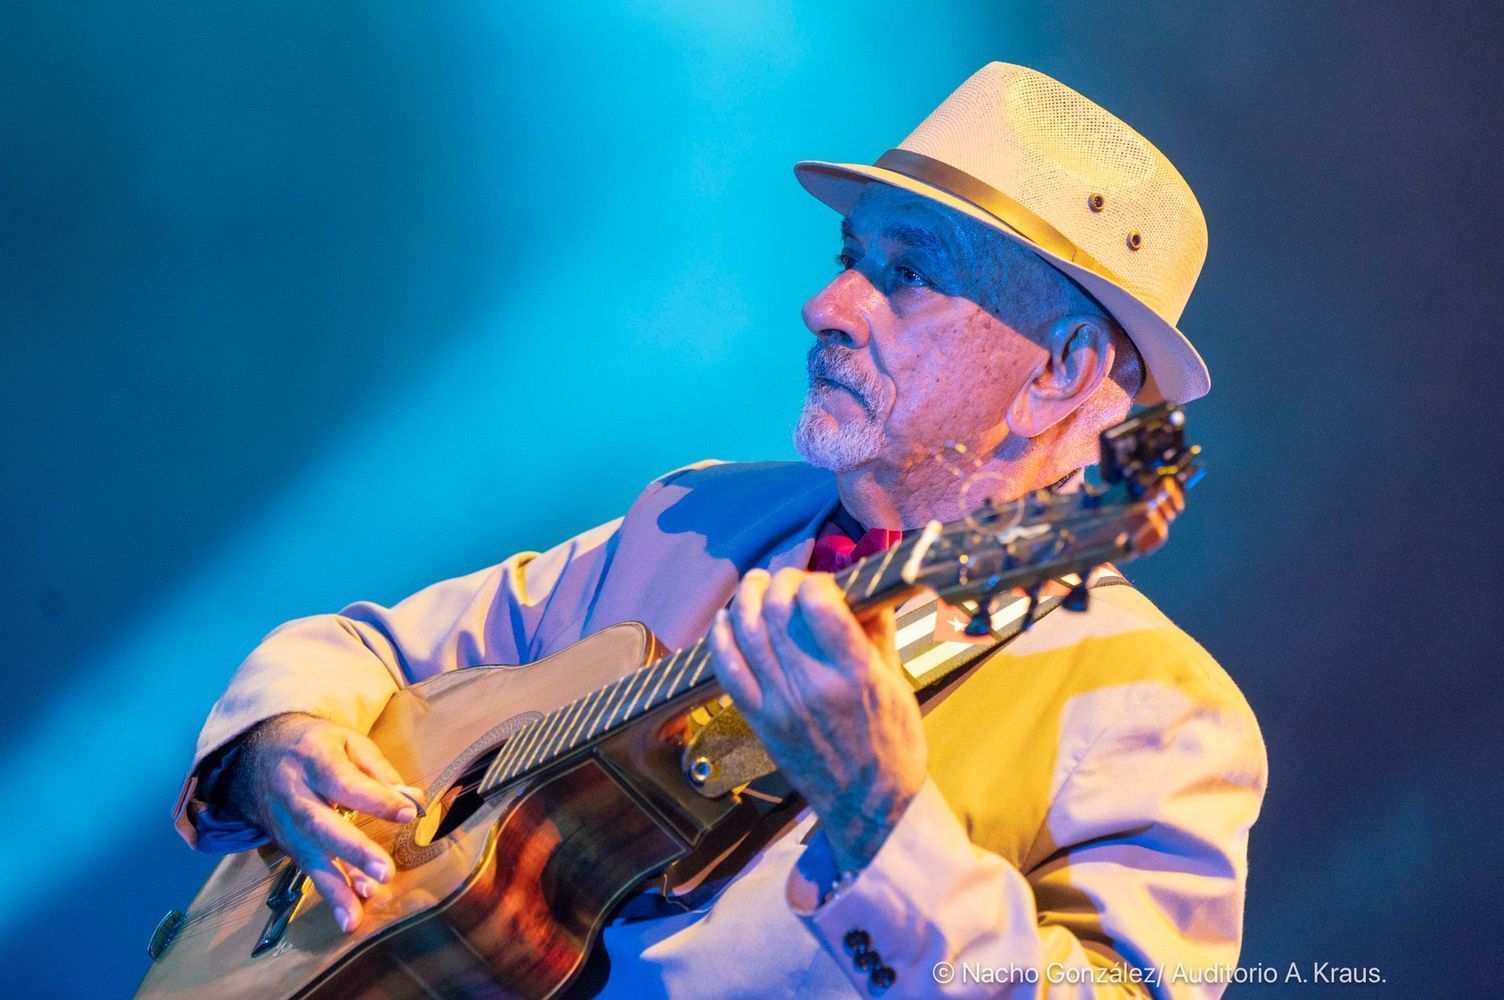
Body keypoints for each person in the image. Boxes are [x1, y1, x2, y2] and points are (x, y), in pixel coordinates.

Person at [174, 63, 1266, 997]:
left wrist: (882, 823)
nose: (827, 307)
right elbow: (365, 649)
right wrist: (281, 741)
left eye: (907, 274)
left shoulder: (1161, 711)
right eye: (848, 258)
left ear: (1064, 370)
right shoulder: (695, 516)